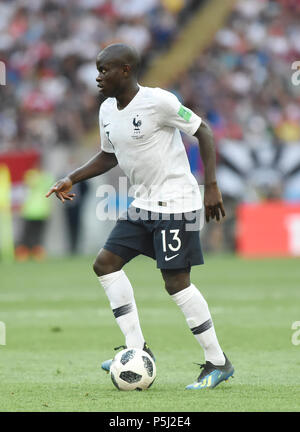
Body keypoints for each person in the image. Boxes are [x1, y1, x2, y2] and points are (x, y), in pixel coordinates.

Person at [46, 43, 234, 389]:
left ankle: (218, 362)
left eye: (105, 70)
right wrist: (71, 177)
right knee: (105, 263)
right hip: (143, 204)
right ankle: (136, 349)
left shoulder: (158, 102)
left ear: (126, 71)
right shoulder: (106, 110)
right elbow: (108, 157)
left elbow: (203, 131)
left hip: (177, 203)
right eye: (97, 69)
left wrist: (212, 186)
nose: (98, 77)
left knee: (176, 283)